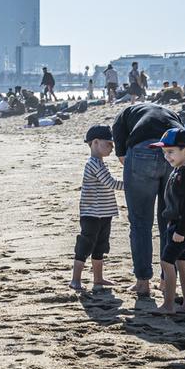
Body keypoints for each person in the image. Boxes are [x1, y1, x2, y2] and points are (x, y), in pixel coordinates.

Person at [112, 101, 181, 296]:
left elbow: (118, 130)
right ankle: (167, 280)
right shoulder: (171, 113)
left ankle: (143, 282)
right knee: (169, 221)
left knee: (140, 221)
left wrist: (123, 155)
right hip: (174, 151)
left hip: (142, 150)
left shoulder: (126, 112)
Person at [150, 128, 185, 315]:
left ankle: (168, 304)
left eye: (171, 152)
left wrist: (181, 231)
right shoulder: (180, 170)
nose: (167, 156)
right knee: (182, 265)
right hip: (179, 226)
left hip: (184, 227)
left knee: (167, 262)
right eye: (164, 152)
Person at [71, 125, 123, 292]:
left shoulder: (100, 163)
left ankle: (98, 279)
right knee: (85, 245)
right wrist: (131, 184)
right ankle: (75, 280)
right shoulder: (93, 163)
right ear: (95, 142)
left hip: (104, 213)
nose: (111, 148)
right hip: (91, 214)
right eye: (108, 144)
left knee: (100, 246)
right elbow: (110, 183)